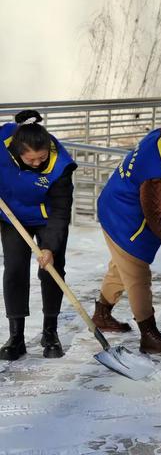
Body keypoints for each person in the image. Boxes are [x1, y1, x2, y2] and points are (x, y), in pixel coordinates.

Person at [93, 108, 161, 354]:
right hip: (123, 219)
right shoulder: (154, 175)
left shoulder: (159, 137)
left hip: (115, 203)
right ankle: (149, 336)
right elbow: (157, 218)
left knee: (120, 268)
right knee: (137, 275)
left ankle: (102, 314)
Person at [0, 110, 77, 360]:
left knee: (52, 270)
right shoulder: (3, 145)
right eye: (30, 159)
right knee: (14, 270)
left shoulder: (60, 166)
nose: (37, 163)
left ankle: (50, 332)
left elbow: (61, 210)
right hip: (11, 216)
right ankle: (16, 337)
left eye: (41, 158)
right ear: (17, 152)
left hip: (48, 217)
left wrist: (50, 248)